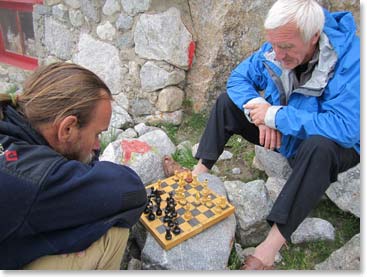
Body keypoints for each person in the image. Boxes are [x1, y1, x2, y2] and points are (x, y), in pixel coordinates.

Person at [163, 0, 359, 270]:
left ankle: (269, 248)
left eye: (286, 47)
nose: (277, 54)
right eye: (274, 44)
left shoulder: (351, 58)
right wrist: (261, 114)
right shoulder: (277, 45)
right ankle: (198, 174)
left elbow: (346, 127)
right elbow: (238, 79)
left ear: (314, 37)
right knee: (228, 102)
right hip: (284, 132)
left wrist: (276, 116)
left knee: (320, 147)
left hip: (334, 147)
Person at [0, 62, 148, 270]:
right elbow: (132, 192)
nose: (97, 146)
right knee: (113, 233)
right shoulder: (33, 177)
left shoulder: (9, 113)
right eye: (97, 134)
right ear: (67, 128)